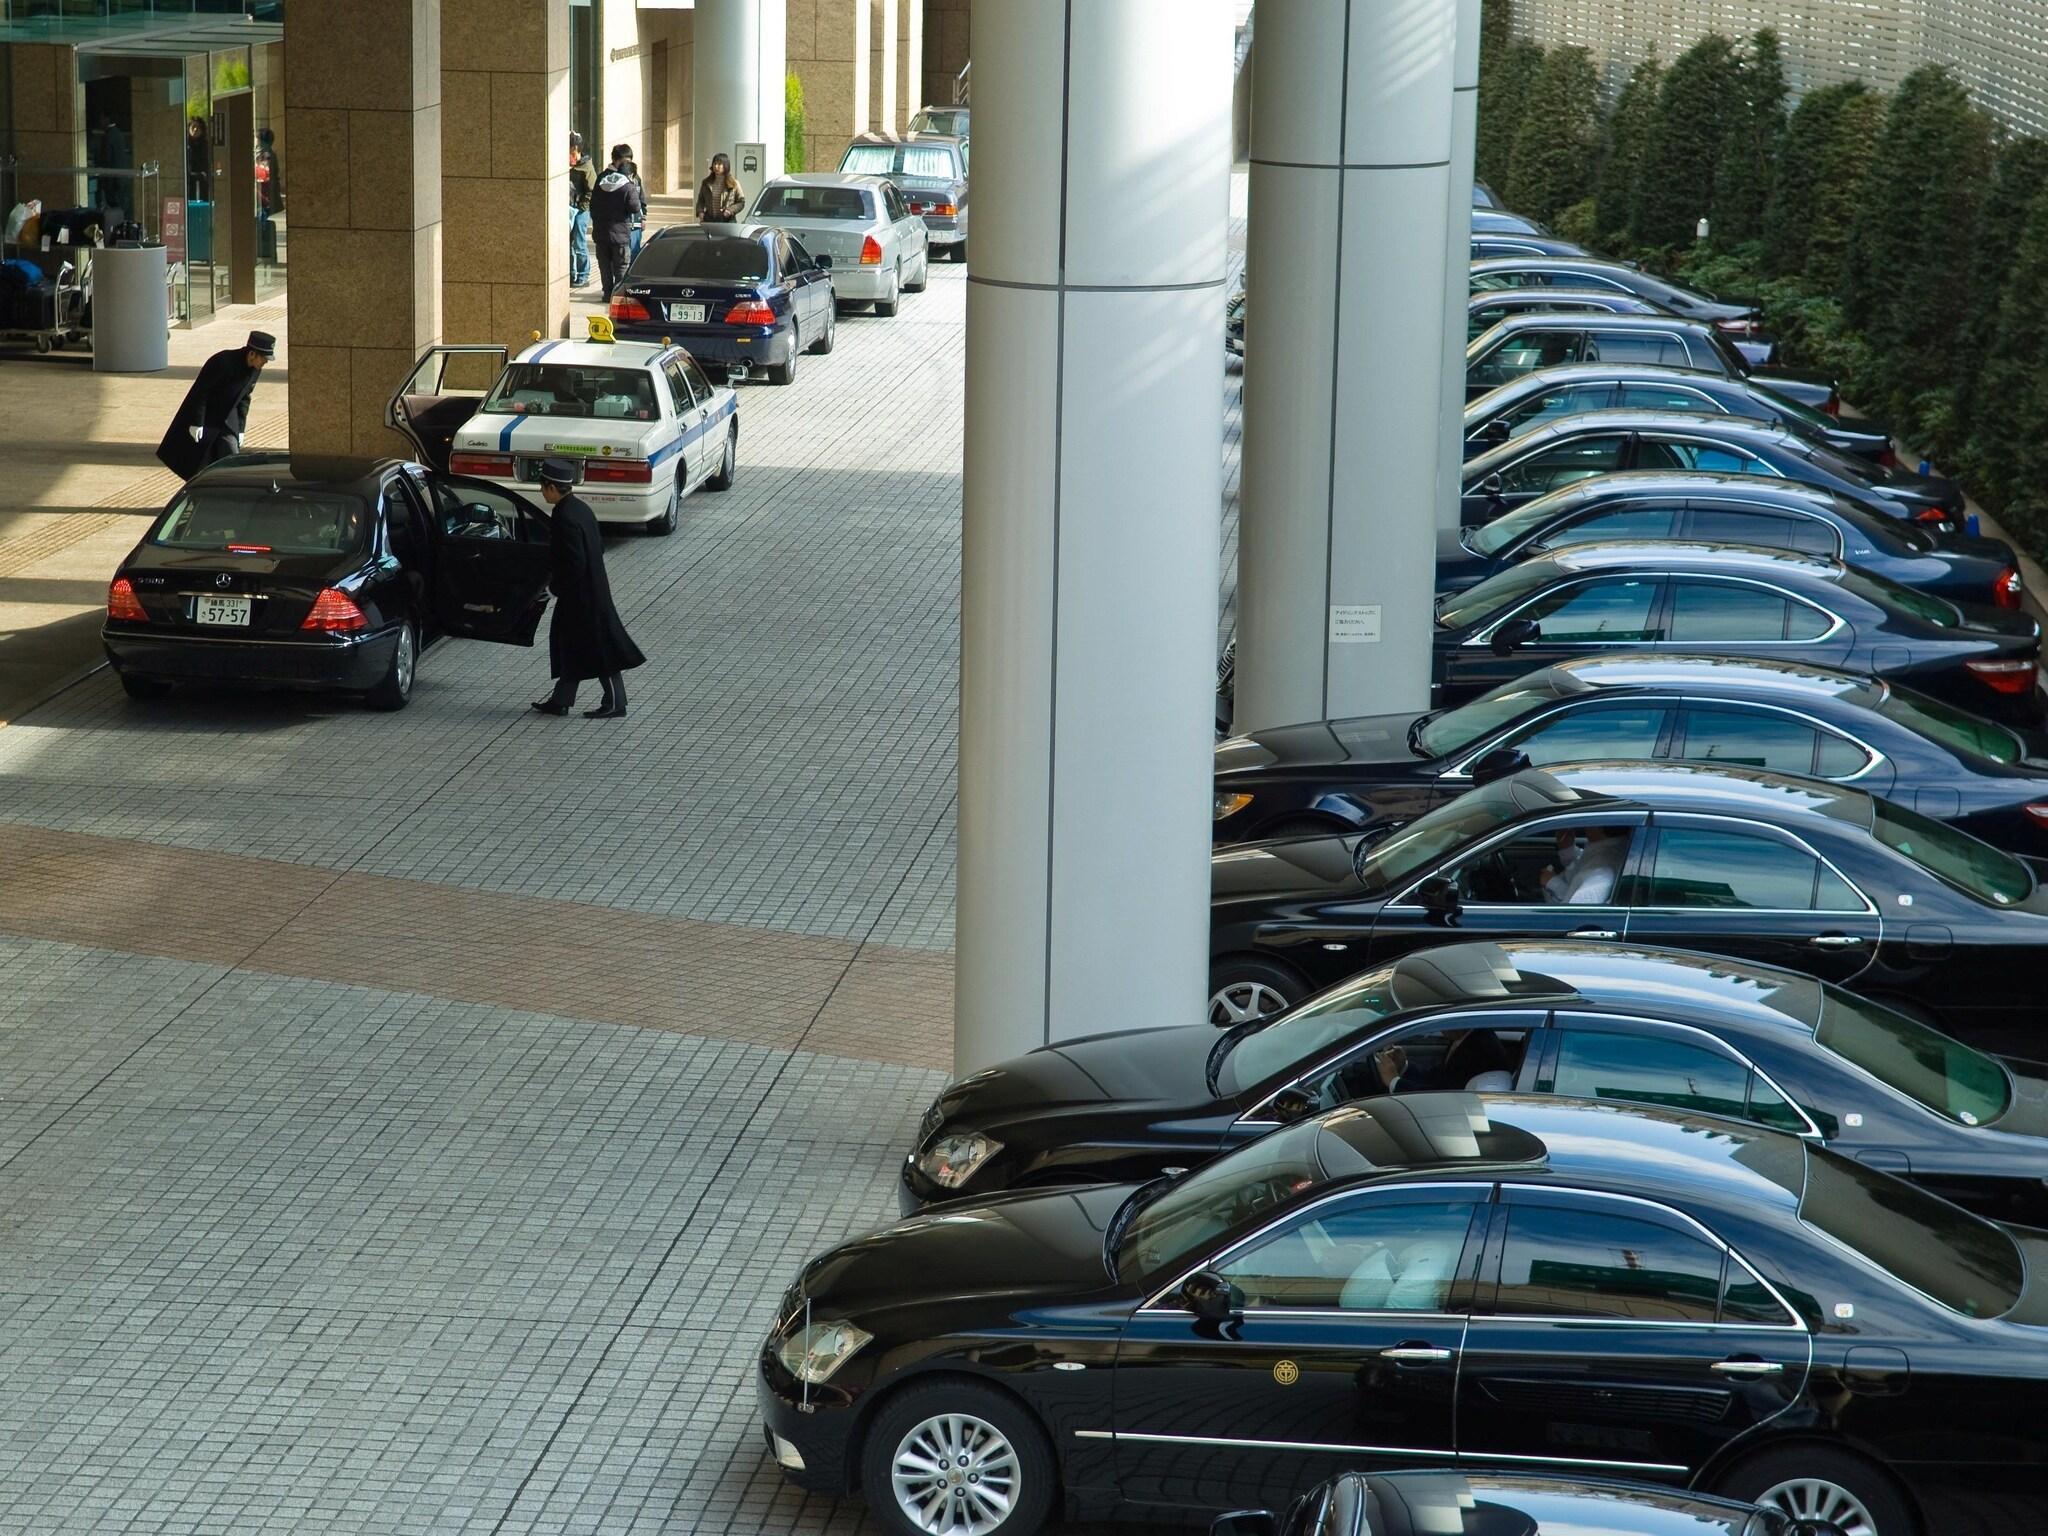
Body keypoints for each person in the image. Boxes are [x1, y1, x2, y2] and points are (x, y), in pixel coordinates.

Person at [531, 459, 645, 719]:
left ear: (551, 487)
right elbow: (597, 549)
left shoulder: (564, 516)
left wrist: (555, 588)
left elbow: (575, 561)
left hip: (582, 597)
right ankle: (561, 700)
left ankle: (616, 702)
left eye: (542, 487)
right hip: (589, 591)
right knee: (575, 645)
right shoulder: (580, 509)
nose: (541, 492)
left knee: (599, 647)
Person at [154, 330, 274, 480]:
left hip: (228, 420)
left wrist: (241, 428)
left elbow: (244, 399)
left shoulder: (255, 370)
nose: (265, 362)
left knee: (231, 455)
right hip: (207, 418)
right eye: (263, 358)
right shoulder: (222, 362)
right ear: (252, 354)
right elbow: (201, 392)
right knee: (199, 463)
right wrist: (196, 422)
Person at [1371, 1029, 1518, 1095]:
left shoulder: (1478, 1050)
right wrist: (1404, 1066)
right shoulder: (1467, 1038)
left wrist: (1394, 1081)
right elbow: (1438, 1077)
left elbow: (1440, 1094)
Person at [591, 144, 645, 301]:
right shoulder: (627, 185)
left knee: (605, 265)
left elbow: (593, 205)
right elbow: (635, 207)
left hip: (601, 231)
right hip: (620, 232)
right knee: (621, 265)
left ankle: (607, 293)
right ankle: (618, 295)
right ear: (615, 160)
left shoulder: (601, 180)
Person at [1542, 824, 1629, 905]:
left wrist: (1553, 883)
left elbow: (1573, 912)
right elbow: (1583, 864)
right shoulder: (1611, 849)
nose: (1583, 826)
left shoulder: (1601, 872)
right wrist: (1567, 849)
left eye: (1588, 823)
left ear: (1599, 827)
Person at [568, 132, 595, 289]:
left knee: (579, 242)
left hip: (580, 210)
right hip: (568, 208)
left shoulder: (586, 166)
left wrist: (581, 208)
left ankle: (583, 275)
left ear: (576, 149)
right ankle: (571, 273)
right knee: (568, 243)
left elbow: (592, 190)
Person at [697, 152, 744, 223]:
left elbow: (741, 202)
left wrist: (730, 210)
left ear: (725, 166)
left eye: (719, 164)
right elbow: (701, 200)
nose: (716, 166)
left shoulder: (734, 183)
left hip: (727, 221)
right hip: (709, 220)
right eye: (714, 164)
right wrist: (700, 212)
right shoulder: (706, 182)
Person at [254, 127, 283, 219]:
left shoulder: (266, 155)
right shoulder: (266, 153)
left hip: (264, 193)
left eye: (256, 138)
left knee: (262, 217)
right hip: (266, 192)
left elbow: (262, 175)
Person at [185, 116, 210, 203]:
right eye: (193, 127)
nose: (195, 130)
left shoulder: (206, 145)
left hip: (203, 179)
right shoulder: (185, 145)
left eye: (198, 127)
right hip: (188, 179)